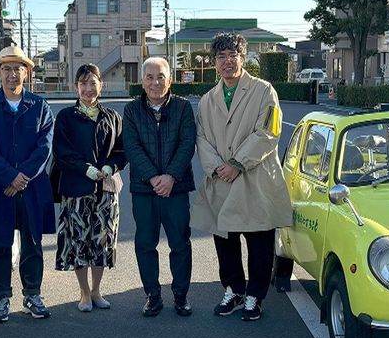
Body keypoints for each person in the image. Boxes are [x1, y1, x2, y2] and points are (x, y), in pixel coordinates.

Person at [191, 32, 293, 321]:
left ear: (243, 57)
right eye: (221, 56)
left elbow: (269, 131)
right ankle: (234, 289)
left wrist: (237, 163)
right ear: (214, 63)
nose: (227, 61)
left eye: (233, 55)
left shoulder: (264, 90)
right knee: (225, 239)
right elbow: (201, 138)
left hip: (254, 178)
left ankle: (254, 296)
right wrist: (216, 167)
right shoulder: (207, 100)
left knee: (259, 239)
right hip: (222, 179)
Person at [0, 44, 56, 323]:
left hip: (31, 188)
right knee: (0, 243)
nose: (12, 74)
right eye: (6, 69)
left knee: (33, 242)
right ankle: (1, 297)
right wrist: (10, 176)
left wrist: (21, 179)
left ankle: (32, 293)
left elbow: (44, 148)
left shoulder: (40, 106)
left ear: (27, 73)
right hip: (0, 188)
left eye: (17, 68)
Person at [122, 57, 196, 317]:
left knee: (180, 243)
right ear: (142, 81)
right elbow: (131, 147)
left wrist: (170, 177)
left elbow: (187, 144)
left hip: (176, 188)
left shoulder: (183, 108)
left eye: (161, 76)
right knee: (145, 243)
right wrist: (154, 178)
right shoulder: (131, 110)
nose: (155, 82)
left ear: (170, 79)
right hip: (144, 189)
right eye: (150, 77)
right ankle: (152, 295)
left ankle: (181, 296)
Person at [53, 64, 126, 312]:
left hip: (105, 190)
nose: (88, 88)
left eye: (92, 82)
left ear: (101, 86)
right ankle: (83, 292)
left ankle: (96, 290)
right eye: (83, 83)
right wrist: (85, 168)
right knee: (78, 242)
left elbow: (121, 150)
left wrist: (110, 166)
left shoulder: (112, 117)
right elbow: (61, 153)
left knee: (102, 242)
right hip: (76, 189)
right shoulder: (65, 117)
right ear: (76, 87)